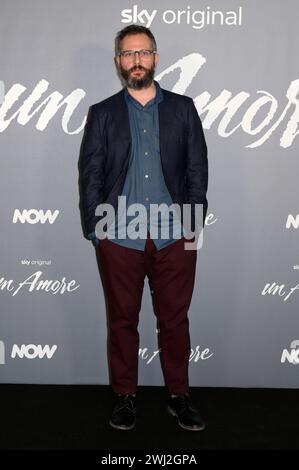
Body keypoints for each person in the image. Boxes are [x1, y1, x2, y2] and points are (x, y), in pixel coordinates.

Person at [79, 25, 208, 431]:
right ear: (119, 61)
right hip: (118, 237)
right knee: (122, 320)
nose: (136, 60)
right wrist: (97, 230)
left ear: (155, 57)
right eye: (128, 53)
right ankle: (124, 397)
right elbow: (91, 174)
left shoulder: (183, 109)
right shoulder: (102, 113)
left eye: (143, 52)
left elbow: (196, 170)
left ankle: (179, 396)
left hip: (175, 235)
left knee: (175, 320)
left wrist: (192, 227)